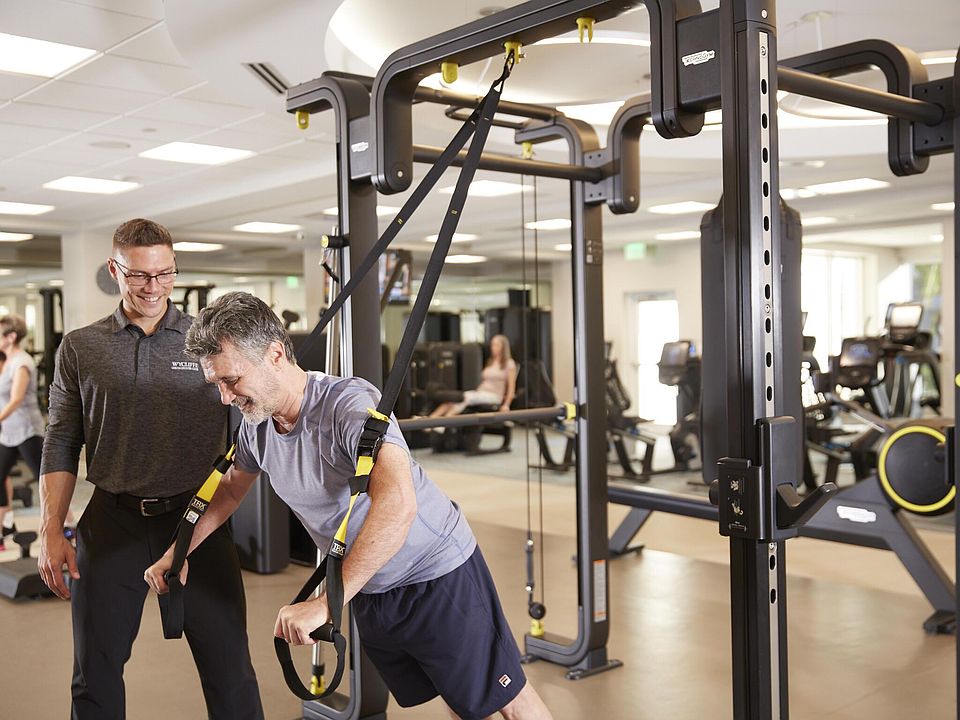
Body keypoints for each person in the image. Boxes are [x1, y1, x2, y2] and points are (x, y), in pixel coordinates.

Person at [144, 291, 553, 720]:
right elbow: (229, 490)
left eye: (231, 380)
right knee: (463, 700)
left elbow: (397, 503)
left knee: (509, 702)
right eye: (217, 385)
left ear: (275, 355)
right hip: (370, 585)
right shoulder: (257, 425)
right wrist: (178, 553)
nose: (225, 398)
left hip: (434, 574)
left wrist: (325, 603)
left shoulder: (348, 406)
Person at [37, 220, 263, 719]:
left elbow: (254, 418)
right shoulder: (81, 347)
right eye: (139, 275)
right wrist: (51, 528)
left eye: (165, 274)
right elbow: (61, 441)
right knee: (94, 675)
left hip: (196, 521)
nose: (154, 287)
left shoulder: (210, 340)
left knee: (230, 671)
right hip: (111, 522)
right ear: (114, 270)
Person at [0, 315, 45, 550]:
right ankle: (6, 527)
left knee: (46, 481)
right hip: (8, 432)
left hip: (27, 430)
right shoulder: (6, 360)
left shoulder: (22, 362)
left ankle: (68, 526)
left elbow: (17, 398)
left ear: (11, 337)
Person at [429, 334, 517, 418]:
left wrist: (506, 405)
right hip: (481, 392)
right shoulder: (491, 362)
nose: (493, 347)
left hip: (495, 396)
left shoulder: (509, 363)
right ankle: (431, 419)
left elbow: (511, 388)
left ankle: (446, 420)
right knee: (454, 399)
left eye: (496, 345)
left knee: (464, 398)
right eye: (492, 344)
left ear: (503, 347)